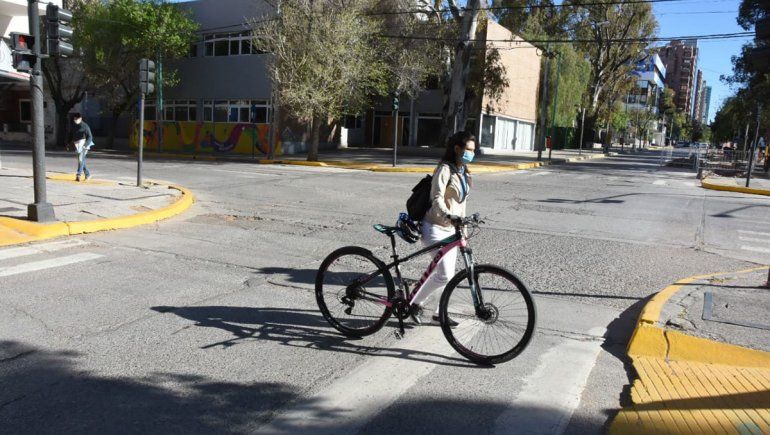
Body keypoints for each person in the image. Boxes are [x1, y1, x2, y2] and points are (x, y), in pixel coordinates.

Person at [410, 131, 475, 325]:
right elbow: (436, 197)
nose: (472, 153)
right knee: (445, 273)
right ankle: (415, 303)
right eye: (469, 149)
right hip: (435, 227)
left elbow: (461, 203)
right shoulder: (444, 169)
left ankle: (440, 312)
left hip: (453, 230)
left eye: (473, 150)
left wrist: (462, 228)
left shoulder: (464, 171)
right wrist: (448, 215)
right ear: (457, 149)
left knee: (448, 275)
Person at [68, 113, 93, 181]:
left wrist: (85, 145)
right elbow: (70, 134)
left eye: (77, 119)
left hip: (84, 144)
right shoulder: (73, 125)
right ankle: (88, 174)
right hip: (77, 144)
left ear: (81, 119)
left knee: (81, 158)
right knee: (81, 160)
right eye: (75, 119)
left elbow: (90, 137)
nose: (76, 120)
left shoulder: (85, 126)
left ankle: (78, 174)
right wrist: (68, 143)